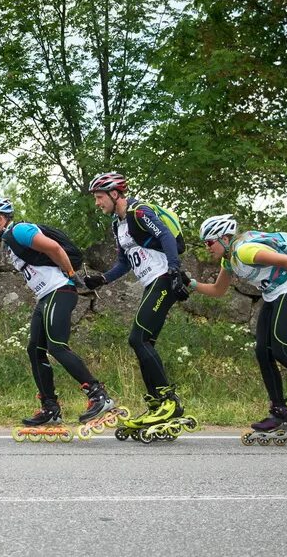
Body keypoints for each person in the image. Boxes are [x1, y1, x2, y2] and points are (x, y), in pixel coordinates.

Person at [187, 214, 287, 446]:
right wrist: (191, 284)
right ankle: (279, 412)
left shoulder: (245, 251)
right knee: (262, 352)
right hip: (273, 294)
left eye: (209, 242)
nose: (207, 248)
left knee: (281, 350)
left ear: (224, 238)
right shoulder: (229, 260)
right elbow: (218, 290)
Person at [0, 197, 120, 439]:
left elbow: (54, 248)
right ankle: (50, 408)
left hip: (59, 291)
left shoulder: (19, 230)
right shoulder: (9, 242)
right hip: (46, 296)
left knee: (57, 346)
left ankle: (98, 395)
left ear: (0, 220)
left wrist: (72, 275)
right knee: (35, 349)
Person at [81, 172, 195, 439]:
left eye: (99, 197)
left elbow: (166, 236)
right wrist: (102, 279)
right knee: (144, 342)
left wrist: (175, 270)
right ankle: (157, 403)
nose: (97, 203)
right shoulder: (118, 225)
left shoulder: (138, 211)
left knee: (138, 338)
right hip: (150, 281)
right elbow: (124, 262)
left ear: (115, 194)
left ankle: (168, 401)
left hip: (163, 277)